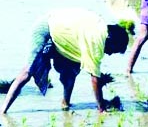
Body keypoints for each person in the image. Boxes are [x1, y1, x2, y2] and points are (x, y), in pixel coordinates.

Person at [0, 8, 129, 113]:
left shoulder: (101, 30)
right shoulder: (97, 40)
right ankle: (3, 110)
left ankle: (65, 104)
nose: (110, 53)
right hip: (47, 29)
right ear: (110, 39)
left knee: (70, 73)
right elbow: (94, 78)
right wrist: (101, 108)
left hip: (68, 39)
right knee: (28, 72)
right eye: (114, 50)